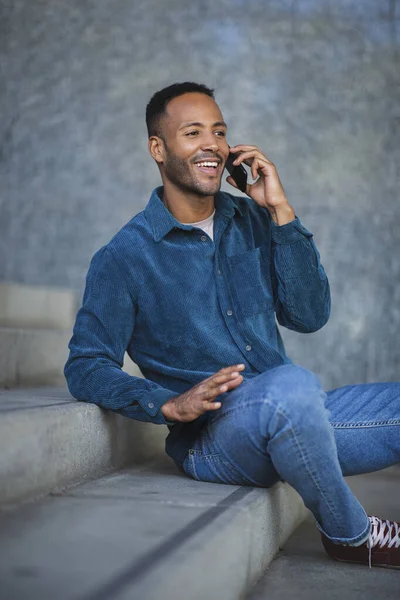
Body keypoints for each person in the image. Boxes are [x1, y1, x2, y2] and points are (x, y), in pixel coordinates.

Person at [64, 82, 400, 569]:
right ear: (158, 149)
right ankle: (350, 534)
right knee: (291, 385)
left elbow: (309, 315)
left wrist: (282, 214)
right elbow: (85, 365)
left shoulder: (254, 219)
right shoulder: (125, 257)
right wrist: (167, 403)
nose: (212, 145)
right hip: (214, 442)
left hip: (293, 412)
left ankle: (300, 427)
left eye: (219, 132)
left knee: (293, 394)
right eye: (193, 132)